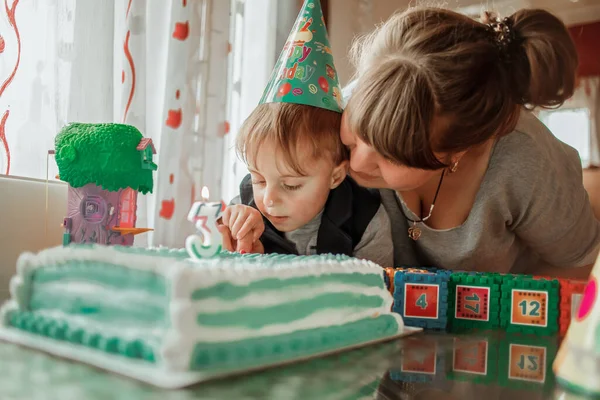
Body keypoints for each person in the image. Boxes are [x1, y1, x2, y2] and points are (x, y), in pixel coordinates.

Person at [340, 7, 600, 277]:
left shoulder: (529, 160)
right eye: (358, 126)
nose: (355, 162)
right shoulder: (327, 112)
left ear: (456, 152)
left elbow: (581, 264)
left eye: (392, 154)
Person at [216, 0, 394, 267]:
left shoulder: (365, 220)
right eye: (259, 180)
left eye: (291, 185)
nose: (269, 199)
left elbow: (375, 290)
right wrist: (235, 240)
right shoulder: (244, 207)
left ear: (335, 175)